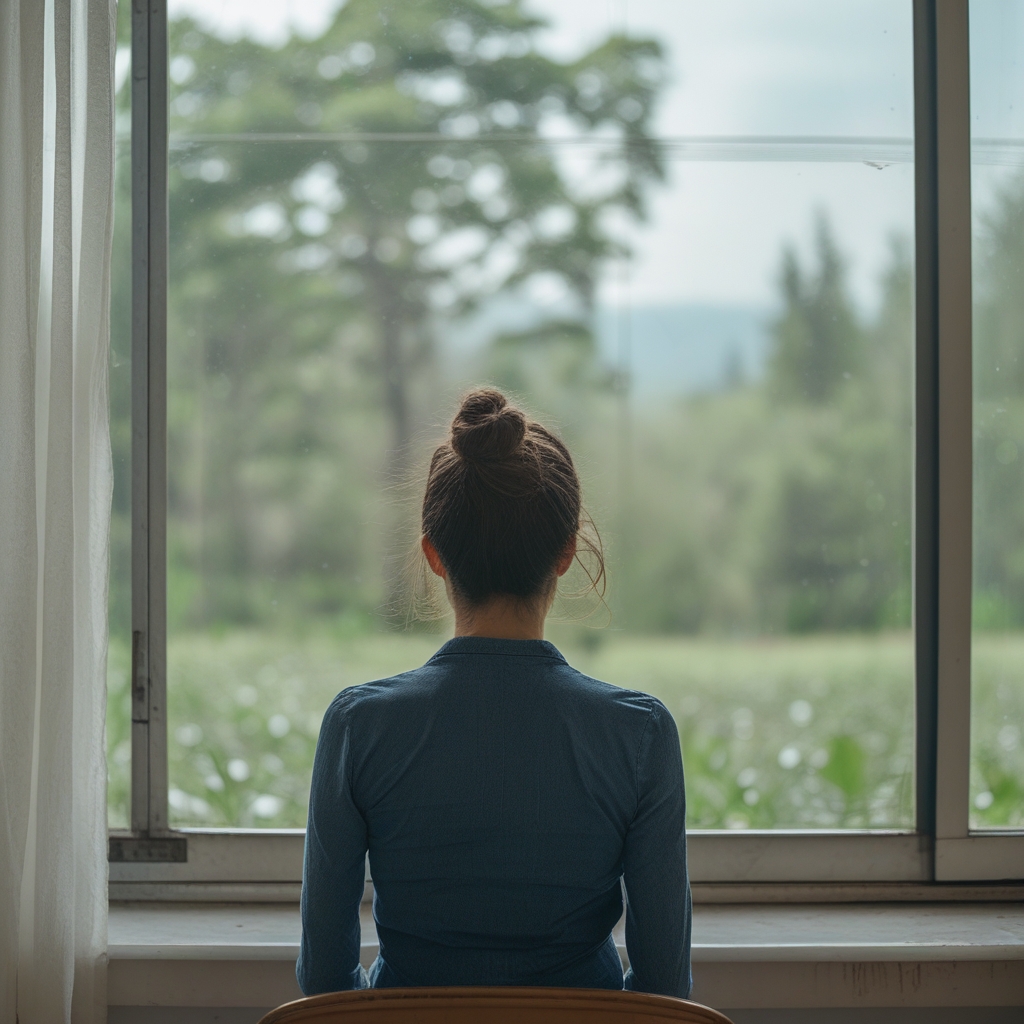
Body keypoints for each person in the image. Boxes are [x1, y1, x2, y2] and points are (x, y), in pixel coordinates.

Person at [296, 389, 691, 996]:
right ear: (566, 552)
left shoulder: (360, 726)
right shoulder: (640, 733)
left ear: (433, 554)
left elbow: (324, 982)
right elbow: (664, 987)